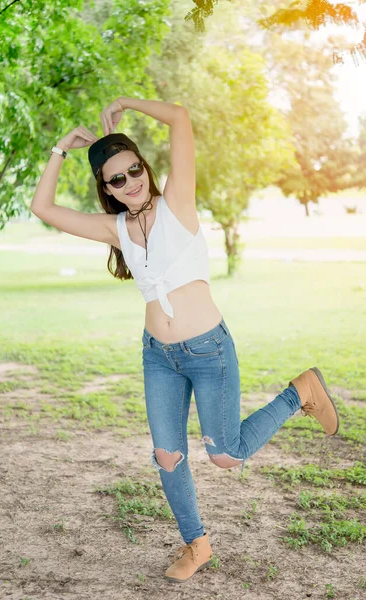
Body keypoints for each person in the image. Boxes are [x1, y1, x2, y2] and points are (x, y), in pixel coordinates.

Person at [30, 97, 340, 584]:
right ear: (106, 189)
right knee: (167, 456)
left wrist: (129, 103)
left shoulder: (178, 202)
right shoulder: (117, 230)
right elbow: (42, 207)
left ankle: (300, 391)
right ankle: (197, 545)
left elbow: (180, 118)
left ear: (144, 168)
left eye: (135, 170)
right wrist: (61, 147)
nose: (131, 182)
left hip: (208, 352)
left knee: (226, 455)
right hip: (159, 358)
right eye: (117, 179)